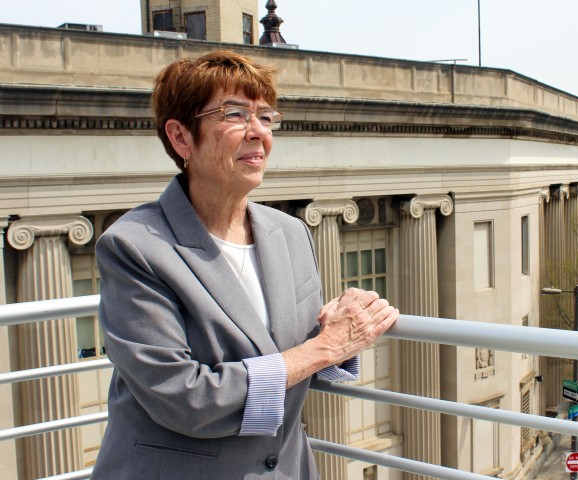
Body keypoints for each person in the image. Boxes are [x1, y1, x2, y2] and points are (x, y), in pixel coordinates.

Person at [90, 50, 399, 480]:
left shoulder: (289, 234)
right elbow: (184, 398)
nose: (258, 133)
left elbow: (293, 359)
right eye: (235, 115)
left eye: (266, 117)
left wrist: (341, 327)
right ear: (181, 137)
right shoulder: (134, 246)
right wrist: (325, 347)